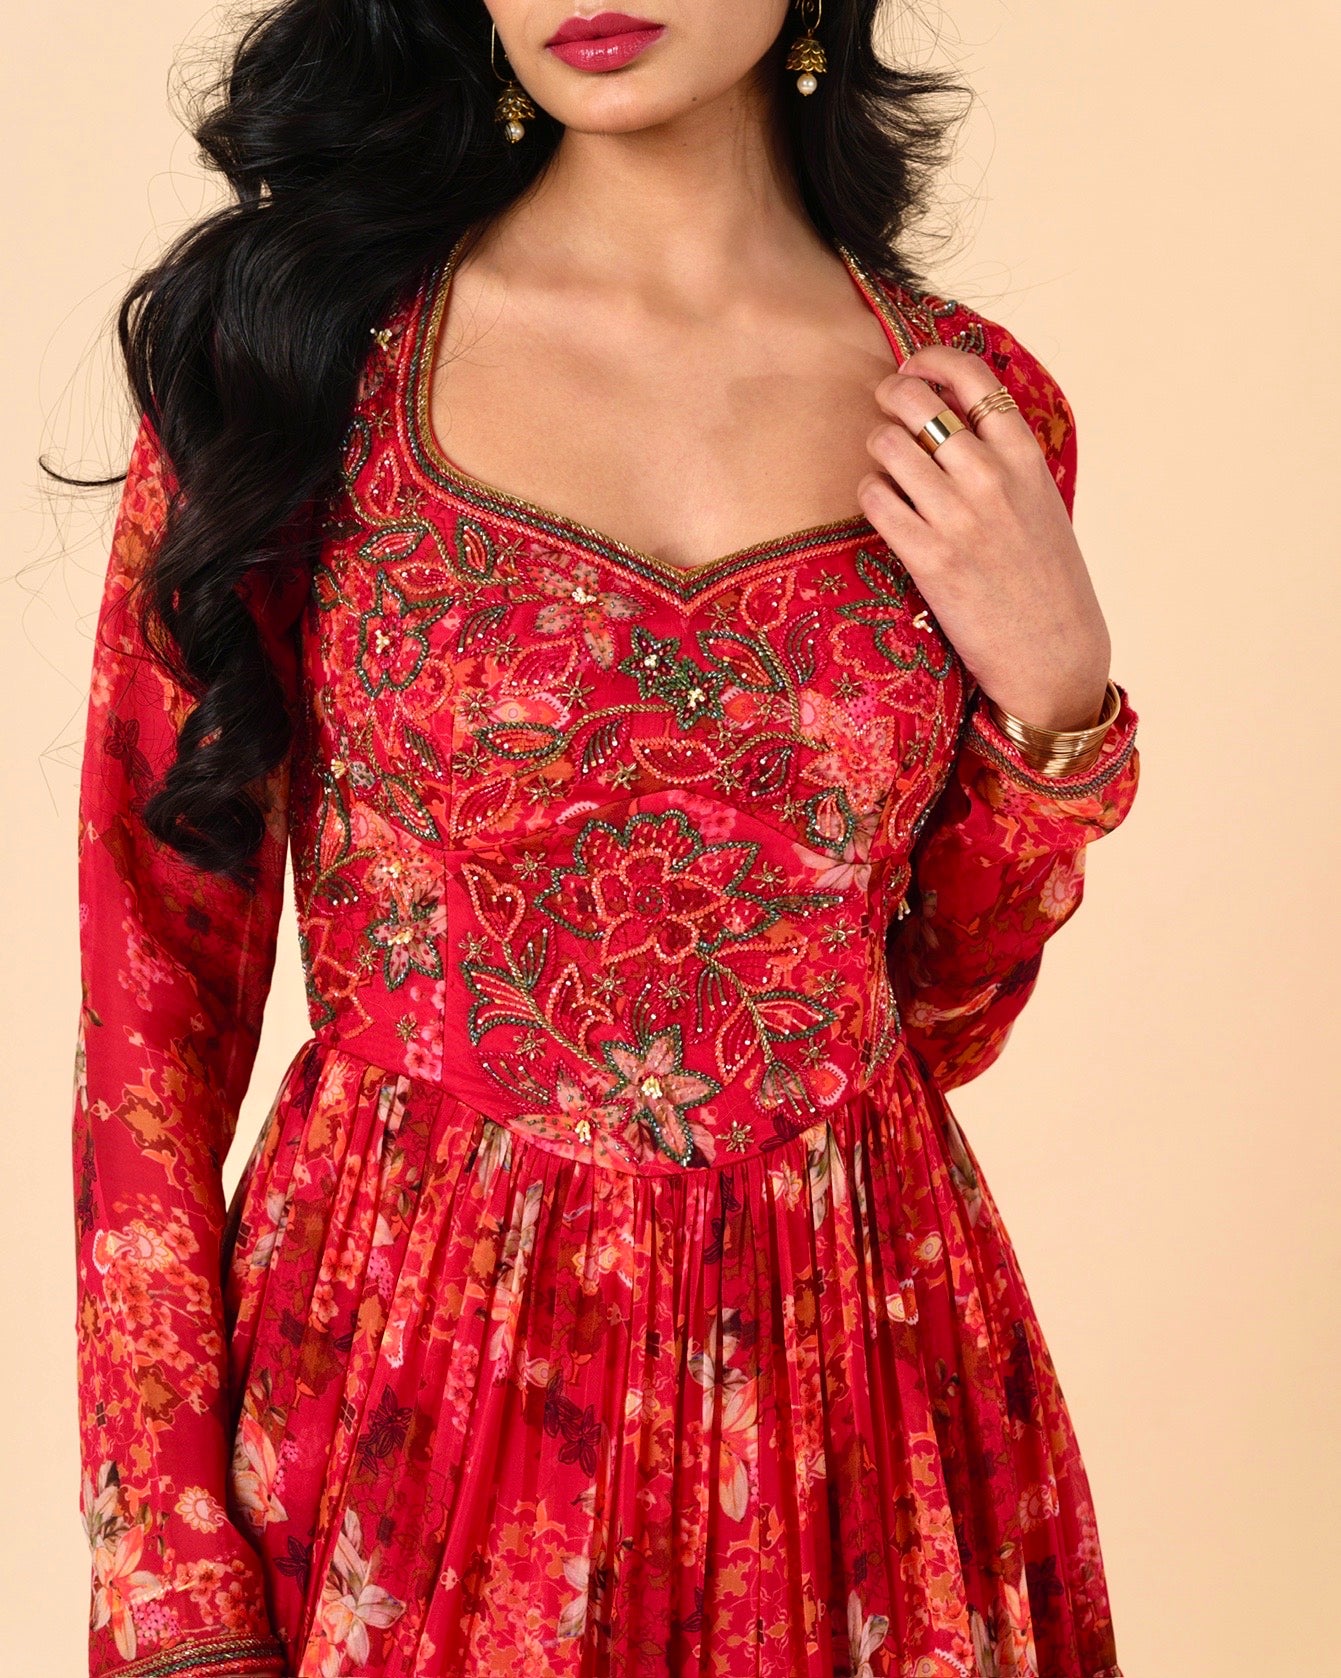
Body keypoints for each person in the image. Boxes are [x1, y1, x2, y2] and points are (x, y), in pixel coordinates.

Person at [70, 3, 1139, 1675]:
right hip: (403, 1408)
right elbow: (153, 995)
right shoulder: (293, 360)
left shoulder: (966, 415)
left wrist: (1059, 700)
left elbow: (935, 1017)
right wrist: (169, 1568)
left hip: (855, 1402)